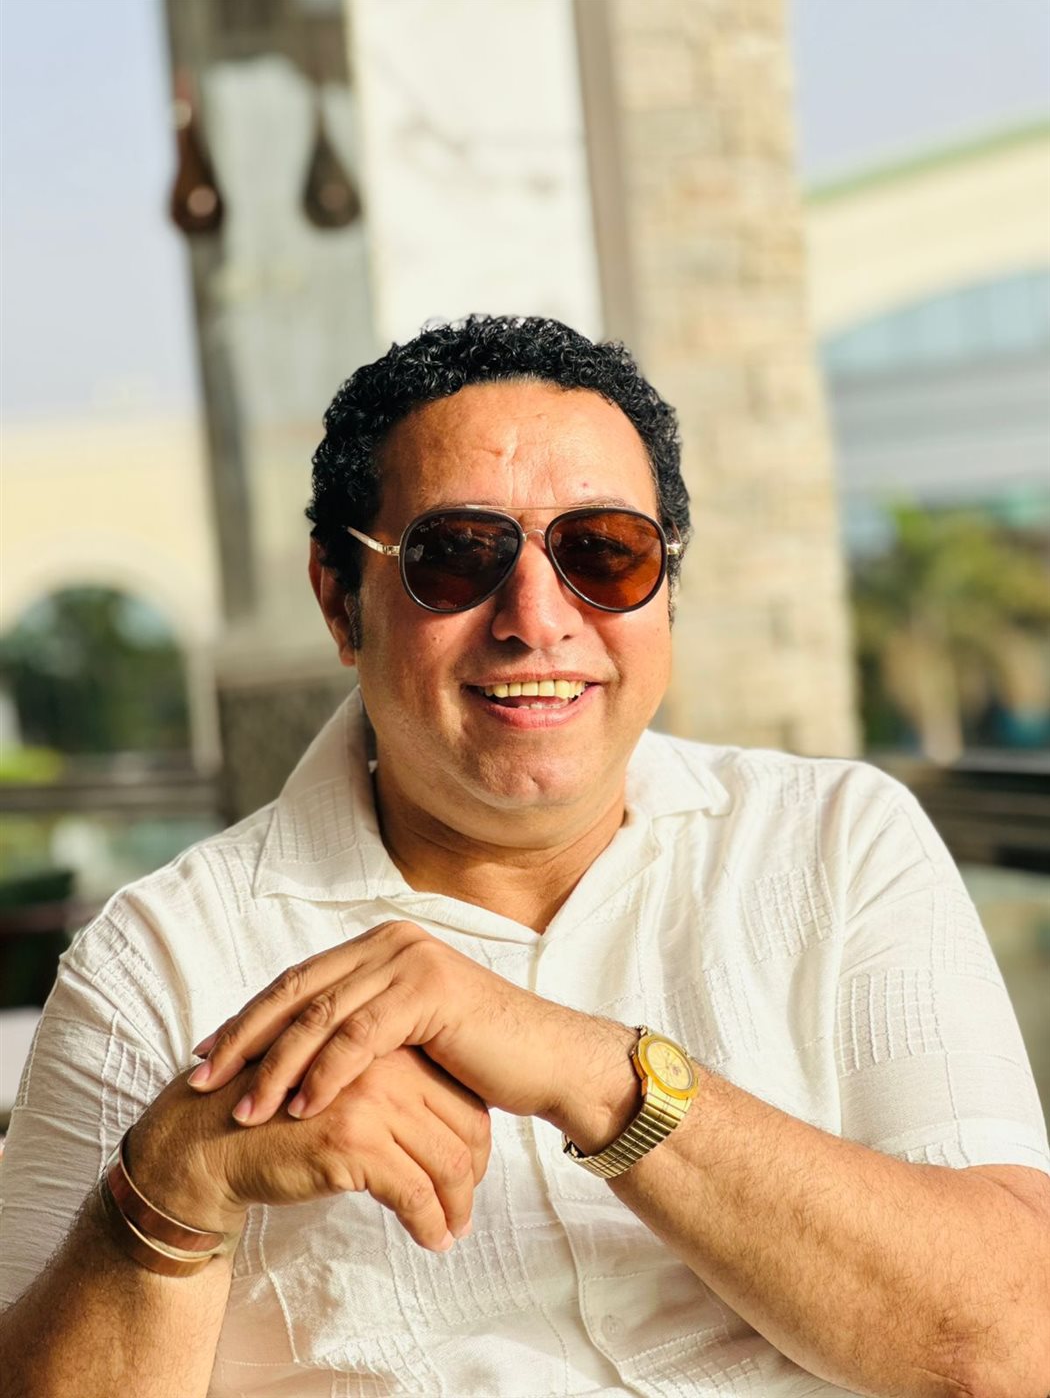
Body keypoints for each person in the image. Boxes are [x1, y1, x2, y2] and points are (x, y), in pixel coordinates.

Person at [1, 316, 1047, 1398]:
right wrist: (167, 1192)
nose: (538, 620)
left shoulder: (837, 841)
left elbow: (1017, 1343)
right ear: (339, 600)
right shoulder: (157, 965)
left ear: (669, 585)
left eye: (605, 552)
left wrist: (599, 1074)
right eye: (456, 556)